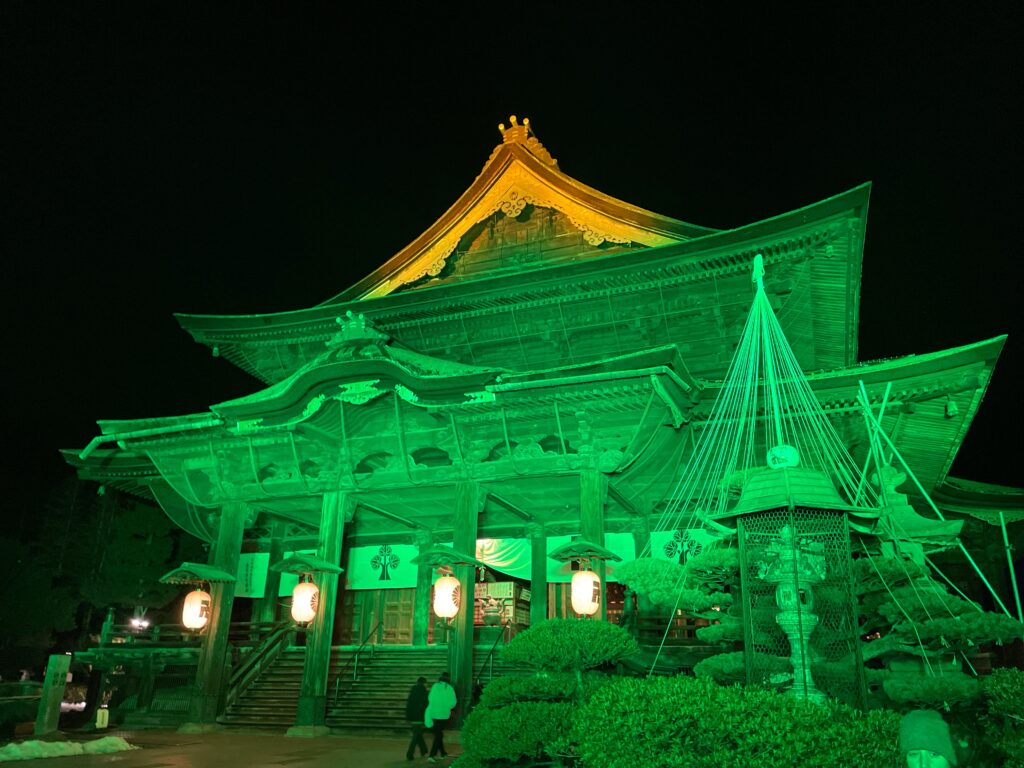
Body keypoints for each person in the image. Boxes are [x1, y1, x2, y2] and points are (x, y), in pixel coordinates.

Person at [424, 671, 457, 763]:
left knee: (438, 734)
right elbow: (453, 703)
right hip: (443, 715)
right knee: (439, 734)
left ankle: (443, 753)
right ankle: (432, 755)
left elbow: (430, 698)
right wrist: (447, 707)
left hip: (434, 714)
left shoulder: (434, 686)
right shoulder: (449, 688)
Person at [404, 676, 429, 762]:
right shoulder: (424, 692)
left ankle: (424, 750)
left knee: (418, 734)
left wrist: (408, 716)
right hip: (419, 716)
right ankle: (410, 753)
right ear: (424, 683)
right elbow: (425, 705)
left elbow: (409, 704)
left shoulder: (413, 690)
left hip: (412, 717)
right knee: (416, 736)